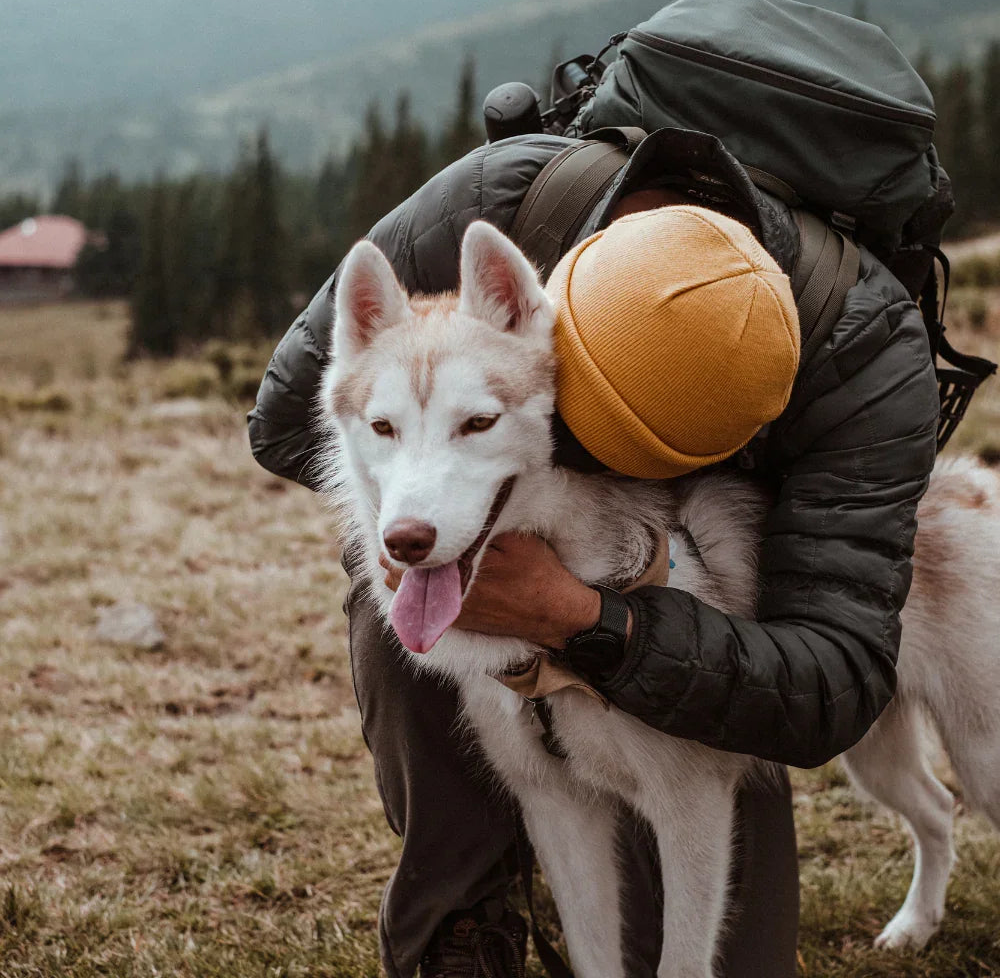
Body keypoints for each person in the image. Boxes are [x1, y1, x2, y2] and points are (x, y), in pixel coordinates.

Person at [249, 127, 940, 977]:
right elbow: (281, 425)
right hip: (535, 485)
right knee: (390, 587)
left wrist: (582, 614)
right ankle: (462, 907)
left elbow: (829, 685)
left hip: (734, 624)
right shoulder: (494, 202)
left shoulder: (863, 345)